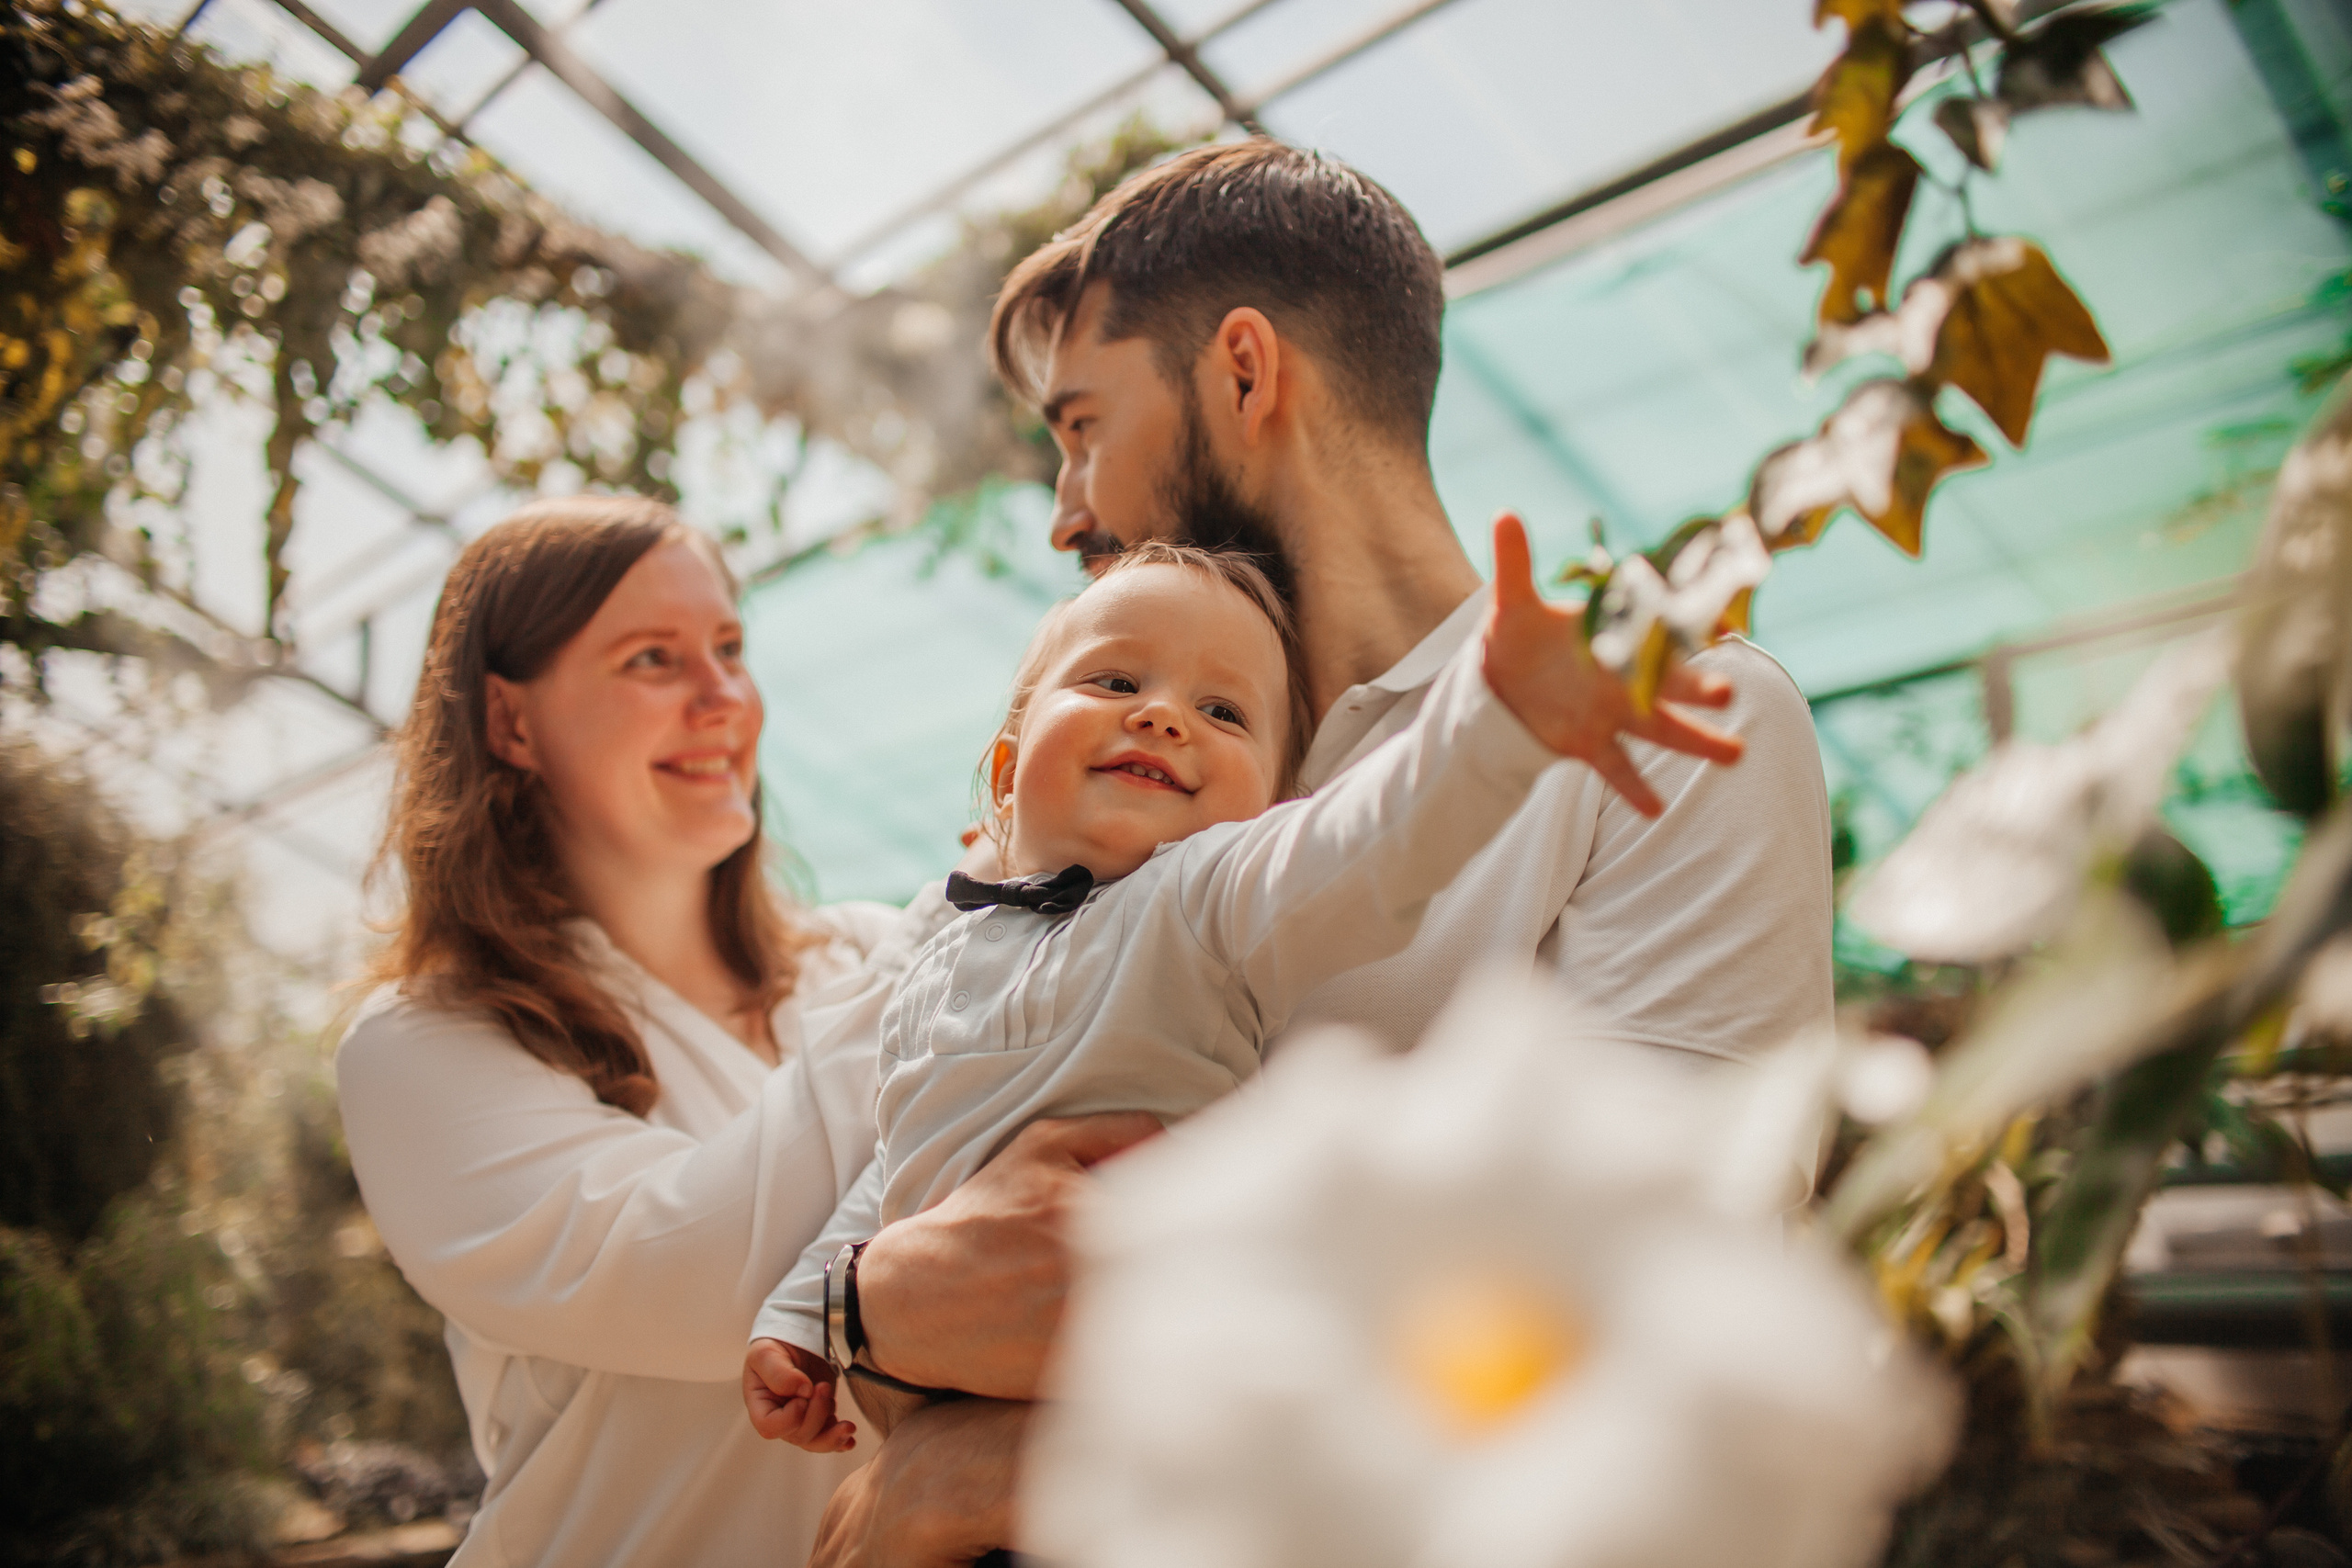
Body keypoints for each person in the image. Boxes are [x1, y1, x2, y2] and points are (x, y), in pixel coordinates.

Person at [808, 140, 1835, 1564]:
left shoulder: (1669, 727)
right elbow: (925, 1168)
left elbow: (1660, 1305)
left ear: (1244, 374)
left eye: (1085, 425)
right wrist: (872, 1301)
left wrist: (1022, 1451)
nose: (1065, 512)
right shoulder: (1127, 785)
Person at [741, 529, 1739, 1448]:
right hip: (932, 1429)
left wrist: (1497, 722)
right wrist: (800, 1317)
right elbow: (892, 1163)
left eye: (1222, 712)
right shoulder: (938, 964)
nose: (1163, 714)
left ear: (1268, 810)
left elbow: (1375, 844)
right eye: (1114, 677)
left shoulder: (1206, 901)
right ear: (1005, 774)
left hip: (1132, 1434)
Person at [334, 496, 1151, 1568]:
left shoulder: (863, 956)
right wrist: (983, 903)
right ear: (510, 723)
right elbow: (710, 1286)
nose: (724, 698)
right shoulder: (422, 1046)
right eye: (652, 660)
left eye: (728, 648)